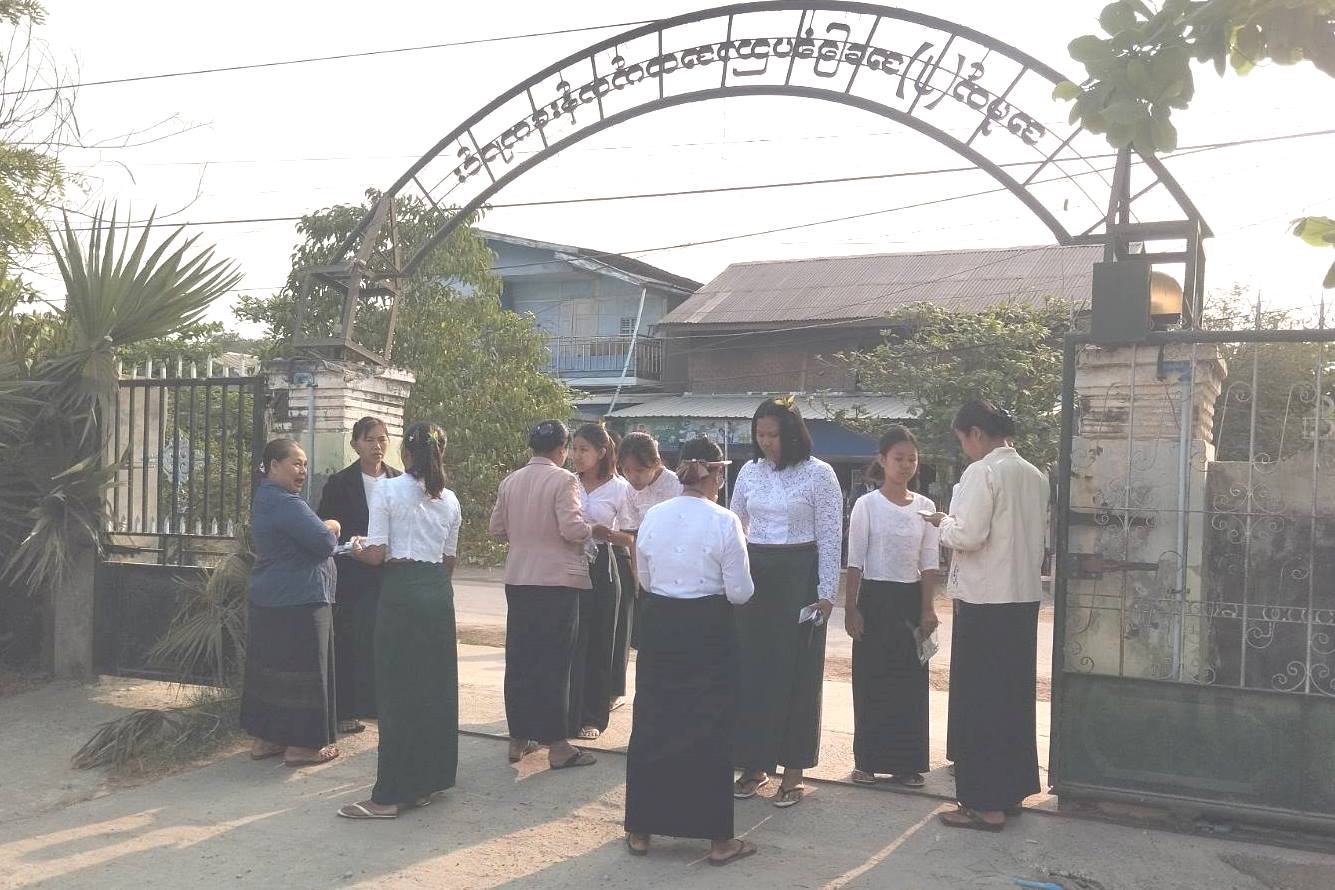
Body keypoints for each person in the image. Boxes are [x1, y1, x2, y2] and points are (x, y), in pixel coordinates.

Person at [624, 436, 757, 866]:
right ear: (716, 474)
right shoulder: (725, 521)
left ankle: (641, 829)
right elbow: (740, 593)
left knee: (654, 720)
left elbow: (645, 579)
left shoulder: (654, 516)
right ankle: (718, 841)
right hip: (708, 628)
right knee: (709, 726)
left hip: (660, 625)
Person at [924, 401, 1048, 832]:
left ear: (975, 433)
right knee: (1011, 700)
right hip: (1022, 599)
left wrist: (942, 523)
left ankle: (984, 805)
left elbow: (969, 535)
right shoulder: (1034, 475)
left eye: (962, 439)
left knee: (979, 703)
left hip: (985, 601)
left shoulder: (983, 472)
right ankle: (1009, 793)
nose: (964, 447)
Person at [337, 422, 462, 820]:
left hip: (402, 592)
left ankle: (390, 796)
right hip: (437, 593)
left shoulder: (387, 490)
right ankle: (427, 782)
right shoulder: (451, 500)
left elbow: (376, 554)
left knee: (397, 693)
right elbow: (449, 560)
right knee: (434, 690)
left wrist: (355, 546)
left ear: (404, 454)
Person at [730, 397, 843, 808]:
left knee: (798, 674)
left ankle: (793, 771)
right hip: (755, 578)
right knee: (752, 672)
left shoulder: (820, 474)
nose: (766, 442)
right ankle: (754, 764)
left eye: (773, 435)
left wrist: (827, 593)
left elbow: (830, 536)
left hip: (800, 577)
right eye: (760, 435)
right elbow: (735, 524)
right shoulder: (748, 471)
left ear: (792, 434)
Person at [489, 420, 606, 770]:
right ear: (561, 449)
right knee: (555, 664)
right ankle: (557, 745)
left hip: (519, 580)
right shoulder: (564, 480)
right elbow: (572, 530)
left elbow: (496, 529)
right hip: (557, 582)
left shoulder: (510, 481)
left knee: (521, 660)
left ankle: (518, 737)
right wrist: (593, 529)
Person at [844, 426, 941, 787]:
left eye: (912, 459)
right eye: (898, 458)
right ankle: (867, 762)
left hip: (910, 600)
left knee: (910, 684)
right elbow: (855, 560)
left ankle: (907, 764)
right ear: (882, 461)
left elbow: (929, 563)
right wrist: (851, 608)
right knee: (871, 680)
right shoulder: (867, 505)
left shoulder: (926, 508)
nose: (905, 465)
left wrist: (928, 609)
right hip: (874, 599)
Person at [241, 438, 341, 768]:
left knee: (273, 673)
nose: (303, 471)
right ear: (273, 466)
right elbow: (323, 541)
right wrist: (333, 525)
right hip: (300, 601)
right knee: (304, 674)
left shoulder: (267, 498)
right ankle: (303, 748)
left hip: (272, 600)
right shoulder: (286, 502)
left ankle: (267, 738)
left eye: (305, 465)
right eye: (296, 463)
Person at [317, 416, 401, 734]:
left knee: (385, 640)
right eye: (370, 440)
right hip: (352, 576)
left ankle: (379, 705)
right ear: (355, 445)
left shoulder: (398, 482)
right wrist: (355, 544)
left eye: (382, 439)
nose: (377, 446)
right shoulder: (340, 483)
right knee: (350, 641)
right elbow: (327, 528)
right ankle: (346, 709)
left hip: (389, 574)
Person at [570, 423, 634, 740]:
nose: (577, 455)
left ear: (601, 452)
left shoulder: (619, 488)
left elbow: (630, 536)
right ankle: (569, 712)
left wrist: (603, 533)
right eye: (574, 449)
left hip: (605, 565)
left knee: (600, 643)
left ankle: (593, 717)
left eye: (584, 449)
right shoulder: (569, 483)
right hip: (569, 565)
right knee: (572, 642)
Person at [617, 431, 683, 654]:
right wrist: (637, 573)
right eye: (626, 471)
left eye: (639, 470)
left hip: (677, 565)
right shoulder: (629, 491)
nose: (632, 477)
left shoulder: (677, 485)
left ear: (656, 463)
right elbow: (634, 535)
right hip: (649, 567)